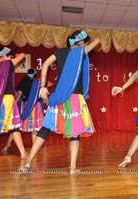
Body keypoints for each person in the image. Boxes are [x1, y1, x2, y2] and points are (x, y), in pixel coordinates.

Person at [20, 30, 100, 173]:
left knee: (45, 129)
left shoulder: (61, 52)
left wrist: (43, 87)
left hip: (59, 95)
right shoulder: (81, 52)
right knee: (74, 134)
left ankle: (27, 163)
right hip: (74, 96)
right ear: (81, 42)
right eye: (84, 42)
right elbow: (98, 41)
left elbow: (45, 64)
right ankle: (72, 168)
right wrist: (89, 39)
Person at [2, 68, 44, 152]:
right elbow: (49, 84)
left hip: (24, 107)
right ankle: (34, 148)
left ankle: (7, 146)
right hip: (35, 107)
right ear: (35, 75)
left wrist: (13, 106)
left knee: (15, 127)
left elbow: (18, 95)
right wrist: (42, 81)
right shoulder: (38, 83)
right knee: (34, 129)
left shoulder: (22, 83)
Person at [0, 47, 27, 158]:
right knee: (14, 127)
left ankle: (22, 152)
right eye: (10, 57)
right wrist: (7, 58)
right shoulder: (7, 64)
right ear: (5, 56)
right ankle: (23, 153)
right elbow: (22, 54)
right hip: (7, 99)